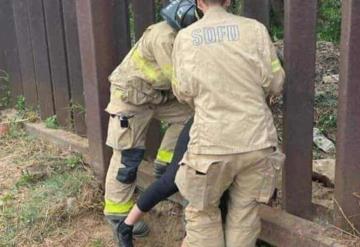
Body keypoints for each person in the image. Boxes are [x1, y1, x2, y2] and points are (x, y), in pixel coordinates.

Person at [172, 0, 286, 246]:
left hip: (210, 147)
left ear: (199, 2)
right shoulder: (255, 30)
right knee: (244, 214)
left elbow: (182, 91)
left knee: (202, 212)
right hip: (257, 142)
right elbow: (276, 82)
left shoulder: (185, 38)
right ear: (229, 1)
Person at [103, 0, 200, 246]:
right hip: (130, 98)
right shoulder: (164, 37)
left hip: (155, 96)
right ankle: (118, 215)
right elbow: (180, 82)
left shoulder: (179, 35)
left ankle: (165, 166)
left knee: (191, 115)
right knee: (128, 158)